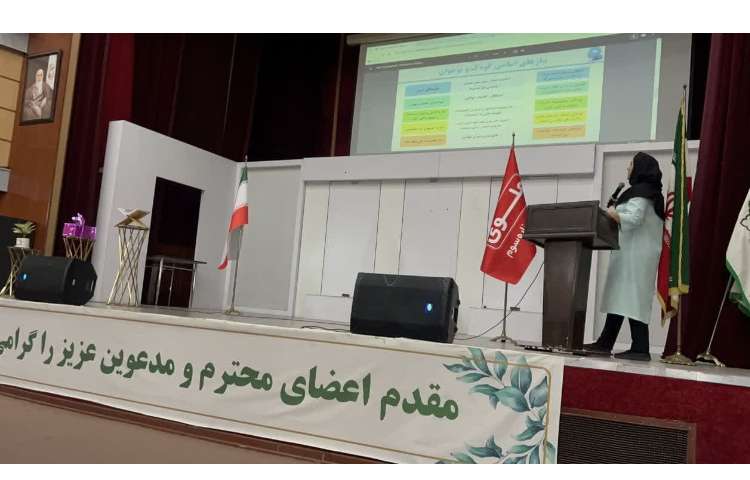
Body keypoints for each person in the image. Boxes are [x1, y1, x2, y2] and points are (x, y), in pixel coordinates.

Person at [584, 152, 665, 361]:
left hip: (636, 258)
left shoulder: (643, 193)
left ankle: (640, 348)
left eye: (631, 164)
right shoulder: (642, 192)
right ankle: (605, 342)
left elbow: (634, 218)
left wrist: (613, 213)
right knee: (620, 298)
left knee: (632, 300)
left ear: (641, 168)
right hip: (629, 255)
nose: (628, 168)